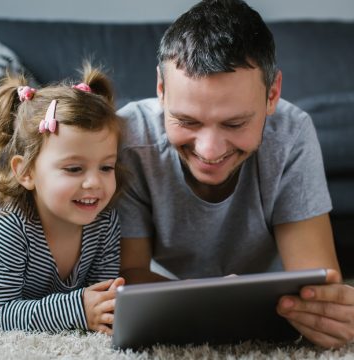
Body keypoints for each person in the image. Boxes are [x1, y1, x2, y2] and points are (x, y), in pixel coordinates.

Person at [115, 0, 354, 349]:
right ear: (161, 90)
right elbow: (127, 275)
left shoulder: (292, 133)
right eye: (187, 121)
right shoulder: (130, 138)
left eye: (235, 123)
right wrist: (213, 299)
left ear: (272, 94)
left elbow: (319, 283)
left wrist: (331, 313)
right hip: (166, 287)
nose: (209, 151)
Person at [0, 63, 124, 335]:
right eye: (74, 169)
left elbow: (105, 298)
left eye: (106, 167)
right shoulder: (8, 226)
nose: (94, 183)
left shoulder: (104, 222)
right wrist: (78, 309)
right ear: (26, 172)